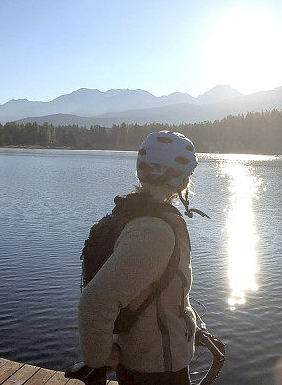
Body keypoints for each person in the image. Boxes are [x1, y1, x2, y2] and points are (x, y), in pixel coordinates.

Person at [78, 131, 206, 385]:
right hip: (157, 369)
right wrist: (100, 360)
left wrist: (192, 325)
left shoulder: (139, 214)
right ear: (181, 181)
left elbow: (159, 290)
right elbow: (95, 302)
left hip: (152, 361)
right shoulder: (154, 231)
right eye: (188, 175)